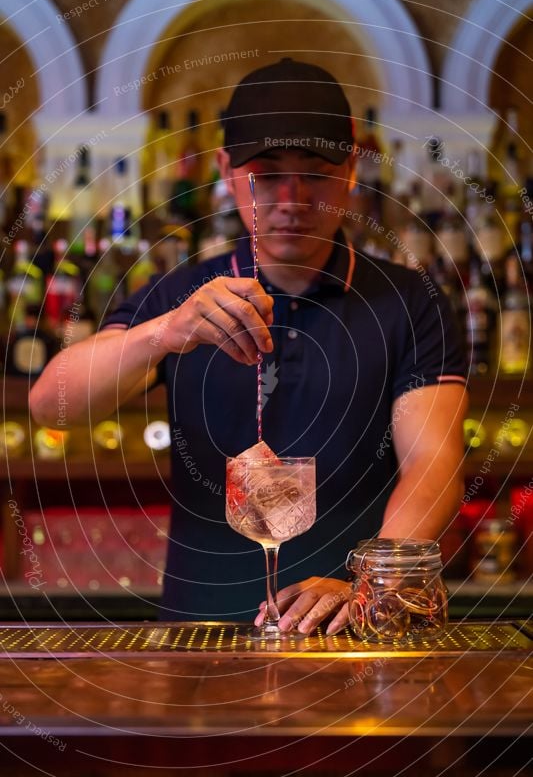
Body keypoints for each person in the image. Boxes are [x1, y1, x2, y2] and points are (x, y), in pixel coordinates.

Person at [30, 58, 468, 634]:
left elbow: (432, 466)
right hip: (200, 635)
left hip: (358, 631)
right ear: (226, 171)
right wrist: (165, 332)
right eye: (266, 174)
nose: (290, 198)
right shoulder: (179, 292)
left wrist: (367, 583)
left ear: (351, 173)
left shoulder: (410, 300)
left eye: (314, 173)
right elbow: (51, 405)